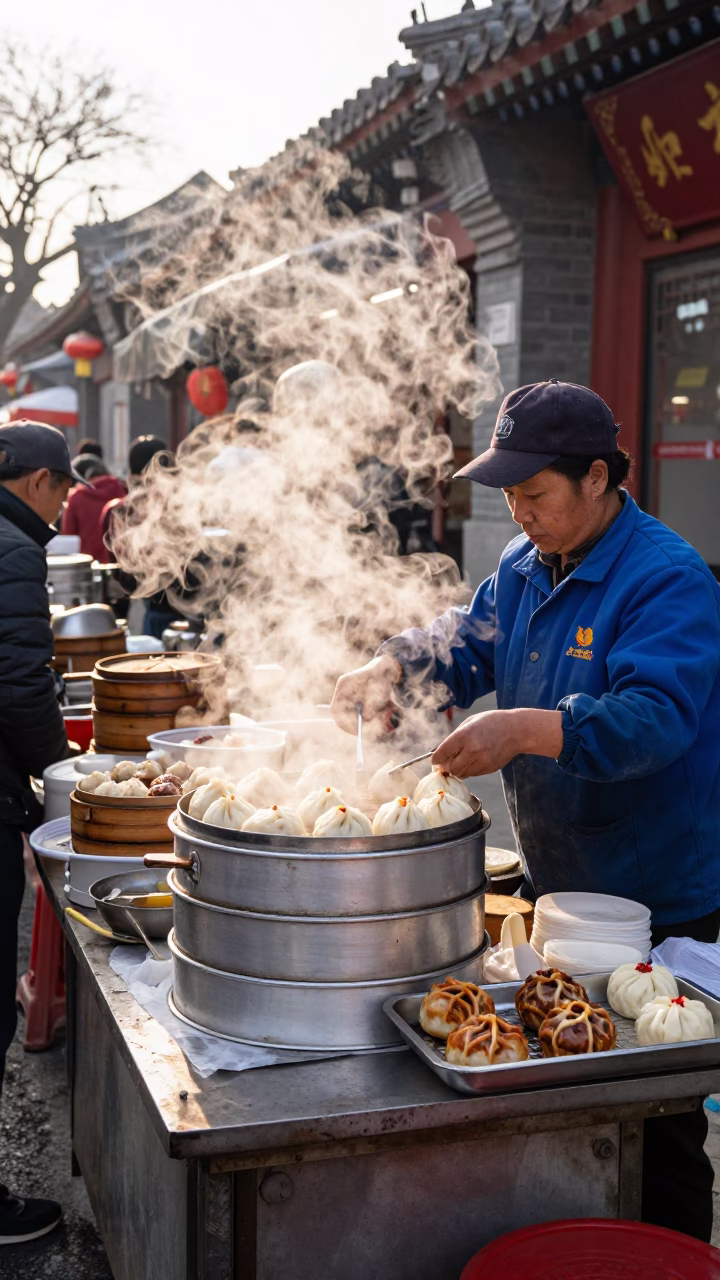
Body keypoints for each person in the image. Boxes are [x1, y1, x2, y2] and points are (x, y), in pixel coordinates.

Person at [332, 380, 720, 1242]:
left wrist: (525, 729)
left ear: (597, 478)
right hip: (563, 878)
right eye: (507, 494)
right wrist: (394, 666)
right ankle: (582, 1240)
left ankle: (671, 1254)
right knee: (573, 1090)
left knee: (656, 1119)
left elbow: (654, 720)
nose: (520, 511)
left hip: (661, 893)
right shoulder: (522, 562)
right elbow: (470, 640)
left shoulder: (667, 578)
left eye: (534, 493)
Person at [0, 420, 84, 1245]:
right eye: (62, 489)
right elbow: (19, 682)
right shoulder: (18, 549)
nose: (65, 505)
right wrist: (63, 777)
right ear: (39, 482)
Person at [101, 435, 184, 637]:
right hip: (185, 606)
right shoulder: (182, 506)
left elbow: (115, 562)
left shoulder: (120, 510)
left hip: (154, 605)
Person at [60, 457, 126, 561]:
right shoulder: (123, 490)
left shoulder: (76, 498)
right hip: (120, 566)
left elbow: (69, 538)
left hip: (87, 567)